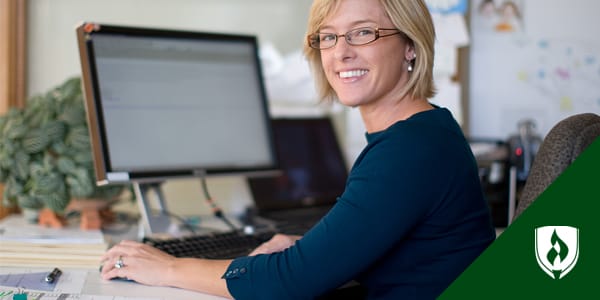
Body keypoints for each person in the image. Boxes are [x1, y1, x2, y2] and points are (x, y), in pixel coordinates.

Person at [100, 0, 496, 299]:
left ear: (410, 45)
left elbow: (294, 280)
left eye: (363, 32)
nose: (340, 52)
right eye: (328, 36)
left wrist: (169, 267)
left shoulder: (410, 149)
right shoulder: (426, 130)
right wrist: (312, 249)